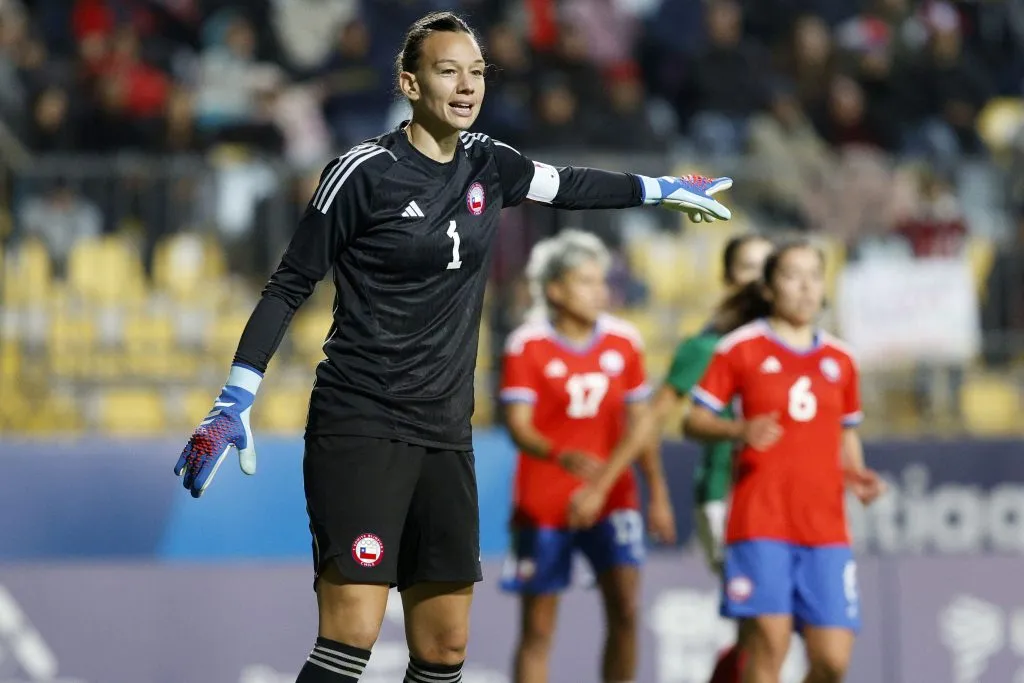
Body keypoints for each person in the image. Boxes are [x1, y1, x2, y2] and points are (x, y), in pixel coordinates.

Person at [171, 11, 734, 683]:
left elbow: (571, 184)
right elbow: (289, 284)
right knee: (350, 636)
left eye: (477, 73)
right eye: (448, 71)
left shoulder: (489, 162)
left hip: (445, 432)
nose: (467, 86)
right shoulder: (362, 172)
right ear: (409, 83)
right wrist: (236, 397)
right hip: (361, 425)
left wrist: (662, 189)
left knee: (443, 649)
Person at [683, 241, 886, 683]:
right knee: (768, 650)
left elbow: (845, 431)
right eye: (793, 276)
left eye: (815, 276)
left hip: (826, 527)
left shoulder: (841, 359)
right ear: (770, 289)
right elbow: (693, 421)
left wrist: (857, 475)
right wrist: (739, 430)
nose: (806, 287)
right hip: (761, 523)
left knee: (832, 660)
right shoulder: (740, 349)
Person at [499, 230, 674, 683]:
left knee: (627, 609)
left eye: (603, 281)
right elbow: (518, 425)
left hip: (614, 494)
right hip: (545, 499)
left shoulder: (625, 341)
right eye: (586, 281)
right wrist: (560, 455)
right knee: (538, 627)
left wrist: (656, 492)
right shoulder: (526, 345)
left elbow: (642, 428)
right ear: (554, 290)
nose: (601, 291)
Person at [648, 234, 773, 683]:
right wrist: (657, 493)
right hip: (727, 497)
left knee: (764, 632)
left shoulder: (789, 345)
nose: (758, 281)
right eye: (748, 269)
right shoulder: (705, 348)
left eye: (767, 269)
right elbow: (654, 420)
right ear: (727, 278)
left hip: (780, 501)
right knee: (764, 626)